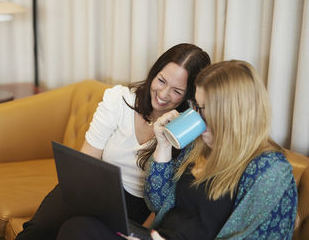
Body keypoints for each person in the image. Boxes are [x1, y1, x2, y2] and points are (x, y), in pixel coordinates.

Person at [56, 60, 297, 240]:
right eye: (196, 107)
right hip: (158, 236)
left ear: (232, 116)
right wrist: (163, 146)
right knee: (78, 227)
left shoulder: (269, 172)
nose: (196, 118)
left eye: (203, 110)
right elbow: (156, 202)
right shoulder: (201, 144)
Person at [15, 43, 211, 240]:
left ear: (190, 95)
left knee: (73, 230)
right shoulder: (119, 99)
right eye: (161, 81)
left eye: (177, 91)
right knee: (36, 232)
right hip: (92, 186)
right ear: (154, 72)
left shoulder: (185, 131)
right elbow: (87, 157)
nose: (163, 94)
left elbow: (164, 202)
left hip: (132, 207)